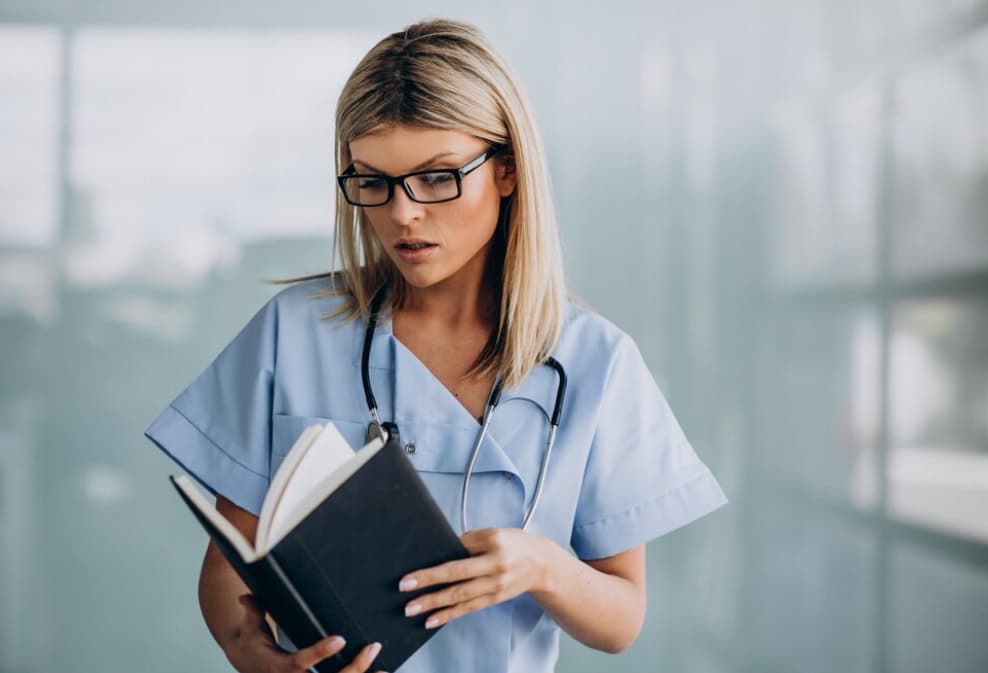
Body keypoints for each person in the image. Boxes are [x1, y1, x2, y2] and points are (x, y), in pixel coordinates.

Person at [144, 17, 728, 673]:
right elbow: (230, 567)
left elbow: (622, 618)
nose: (403, 214)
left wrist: (539, 564)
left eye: (437, 177)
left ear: (506, 170)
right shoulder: (292, 334)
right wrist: (246, 647)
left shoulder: (596, 362)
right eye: (373, 182)